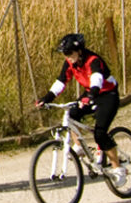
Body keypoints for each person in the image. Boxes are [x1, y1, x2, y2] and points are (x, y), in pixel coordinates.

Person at [38, 33, 123, 180]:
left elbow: (96, 78)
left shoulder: (93, 60)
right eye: (65, 53)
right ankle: (79, 147)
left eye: (69, 53)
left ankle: (118, 169)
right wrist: (47, 98)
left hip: (107, 95)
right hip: (90, 93)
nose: (67, 56)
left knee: (100, 133)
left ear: (79, 51)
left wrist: (92, 95)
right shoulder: (70, 62)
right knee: (71, 114)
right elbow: (61, 81)